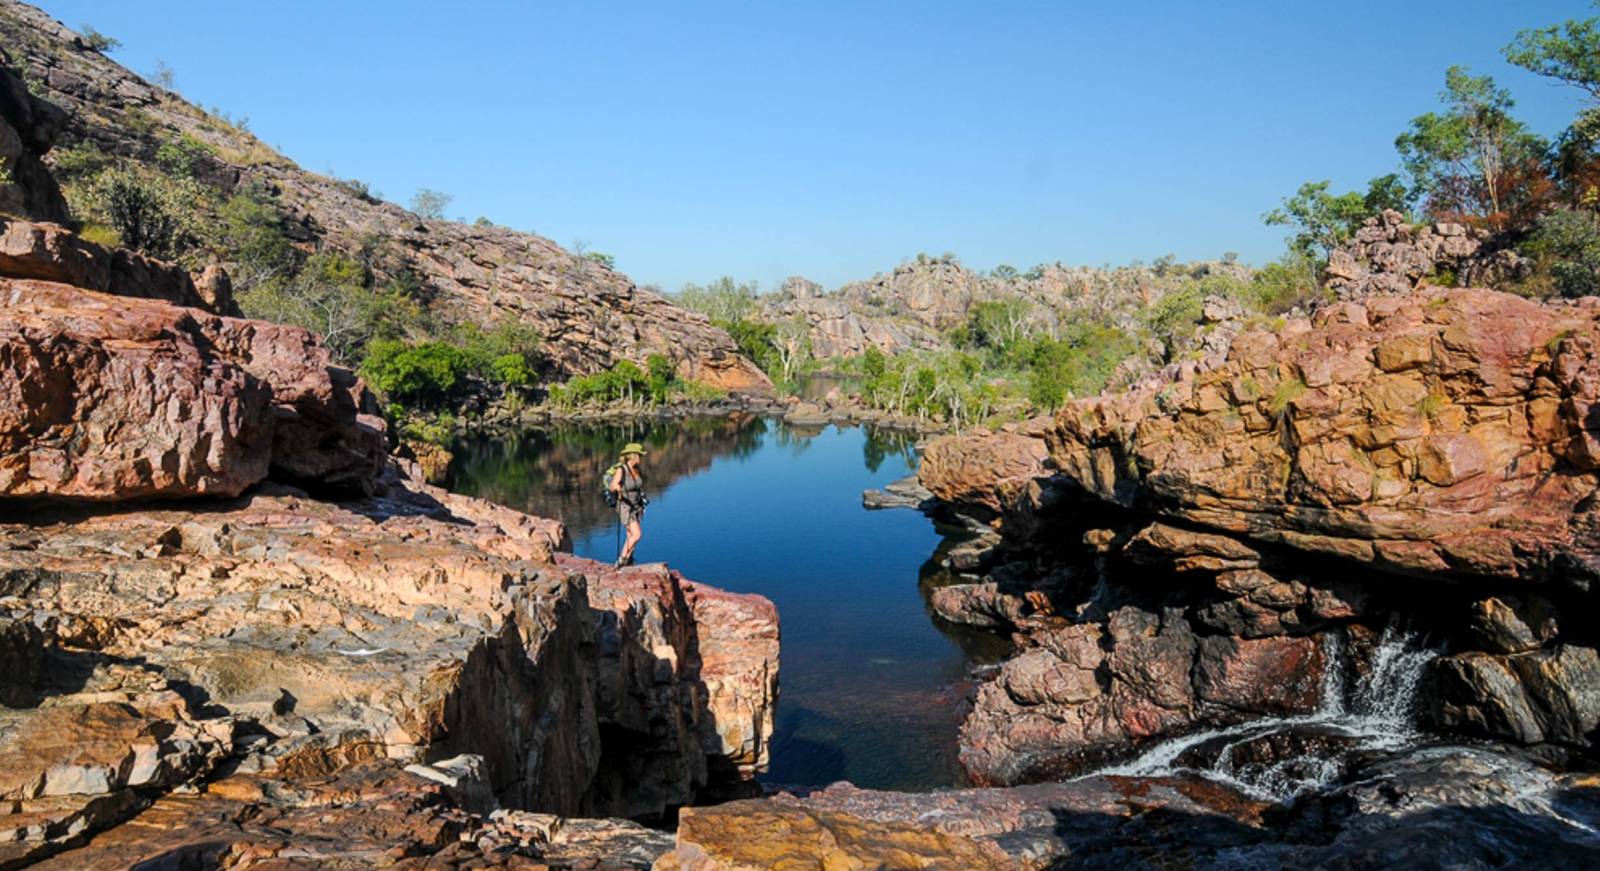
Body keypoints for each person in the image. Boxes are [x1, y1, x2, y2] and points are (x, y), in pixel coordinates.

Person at [609, 442, 648, 567]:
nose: (641, 458)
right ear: (633, 456)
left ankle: (629, 560)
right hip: (625, 506)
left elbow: (637, 486)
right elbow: (612, 486)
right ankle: (621, 560)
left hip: (636, 505)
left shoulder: (637, 469)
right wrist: (617, 487)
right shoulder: (622, 470)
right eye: (639, 455)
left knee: (631, 535)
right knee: (637, 534)